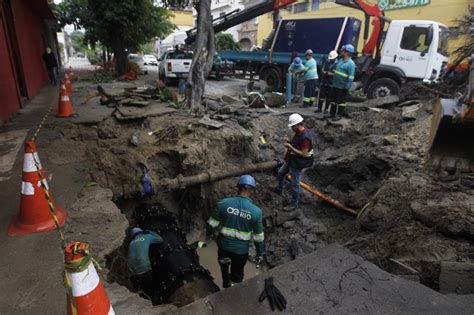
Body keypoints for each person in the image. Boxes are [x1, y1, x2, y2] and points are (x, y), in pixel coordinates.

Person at [206, 175, 264, 288]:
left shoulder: (223, 204)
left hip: (223, 248)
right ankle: (233, 289)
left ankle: (225, 283)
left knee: (224, 265)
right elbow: (259, 237)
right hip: (240, 252)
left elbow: (211, 224)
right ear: (251, 190)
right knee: (237, 275)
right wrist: (259, 253)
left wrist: (209, 234)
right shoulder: (256, 212)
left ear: (238, 187)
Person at [275, 113, 314, 208]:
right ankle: (279, 189)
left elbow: (304, 154)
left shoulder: (305, 138)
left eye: (293, 126)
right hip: (291, 160)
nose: (292, 128)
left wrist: (291, 147)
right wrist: (290, 142)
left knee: (295, 184)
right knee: (280, 173)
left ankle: (294, 205)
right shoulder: (298, 133)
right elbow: (297, 145)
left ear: (298, 124)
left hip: (297, 163)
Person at [127, 227, 163, 299]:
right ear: (142, 232)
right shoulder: (147, 236)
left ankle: (144, 294)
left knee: (144, 287)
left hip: (133, 271)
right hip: (145, 268)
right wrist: (149, 231)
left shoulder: (131, 243)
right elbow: (160, 240)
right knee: (152, 287)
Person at [328, 44, 355, 120]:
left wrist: (347, 87)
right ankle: (332, 114)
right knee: (333, 100)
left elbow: (351, 77)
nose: (341, 51)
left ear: (347, 53)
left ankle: (339, 115)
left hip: (342, 87)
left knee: (341, 102)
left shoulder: (351, 64)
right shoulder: (340, 61)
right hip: (335, 85)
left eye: (343, 51)